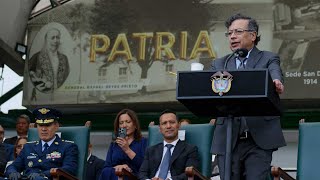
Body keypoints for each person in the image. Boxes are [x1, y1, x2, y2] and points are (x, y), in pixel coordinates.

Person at [210, 13, 286, 180]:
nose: (232, 36)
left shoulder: (267, 57)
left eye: (237, 32)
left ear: (252, 35)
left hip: (258, 138)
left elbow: (274, 70)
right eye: (229, 33)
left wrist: (276, 80)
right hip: (228, 137)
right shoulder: (220, 63)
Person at [5, 107, 79, 180]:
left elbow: (69, 169)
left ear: (56, 126)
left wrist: (44, 174)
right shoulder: (28, 147)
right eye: (40, 125)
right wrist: (12, 172)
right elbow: (13, 166)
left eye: (47, 125)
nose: (43, 129)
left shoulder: (68, 147)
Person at [138, 109, 200, 180]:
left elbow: (191, 174)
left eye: (172, 122)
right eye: (164, 123)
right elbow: (142, 173)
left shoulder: (190, 149)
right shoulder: (151, 150)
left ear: (179, 125)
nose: (168, 126)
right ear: (160, 128)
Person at [99, 109, 147, 180]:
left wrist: (127, 149)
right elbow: (106, 167)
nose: (124, 125)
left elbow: (145, 166)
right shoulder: (114, 145)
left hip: (134, 176)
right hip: (114, 175)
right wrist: (118, 168)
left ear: (135, 125)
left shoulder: (143, 142)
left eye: (128, 122)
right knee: (106, 171)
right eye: (121, 123)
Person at [28, 28, 70, 93]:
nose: (55, 40)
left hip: (61, 95)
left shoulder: (64, 59)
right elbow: (29, 76)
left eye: (57, 37)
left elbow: (67, 78)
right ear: (46, 40)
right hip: (43, 95)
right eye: (52, 38)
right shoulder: (36, 57)